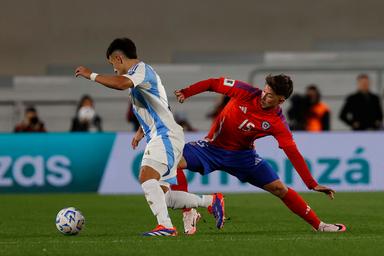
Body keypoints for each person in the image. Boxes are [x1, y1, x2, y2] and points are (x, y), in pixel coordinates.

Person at [75, 37, 223, 236]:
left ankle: (167, 227)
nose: (114, 70)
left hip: (165, 135)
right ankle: (211, 201)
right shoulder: (142, 76)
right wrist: (140, 132)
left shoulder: (141, 71)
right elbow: (161, 108)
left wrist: (90, 74)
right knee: (164, 195)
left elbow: (120, 83)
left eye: (112, 64)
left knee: (146, 177)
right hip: (161, 134)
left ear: (118, 58)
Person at [173, 75, 346, 233]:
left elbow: (292, 152)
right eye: (265, 91)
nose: (264, 96)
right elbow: (213, 83)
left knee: (280, 189)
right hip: (211, 148)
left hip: (243, 157)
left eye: (270, 95)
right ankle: (189, 212)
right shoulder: (245, 92)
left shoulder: (277, 122)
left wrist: (311, 183)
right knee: (172, 161)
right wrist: (187, 92)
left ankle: (320, 226)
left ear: (281, 100)